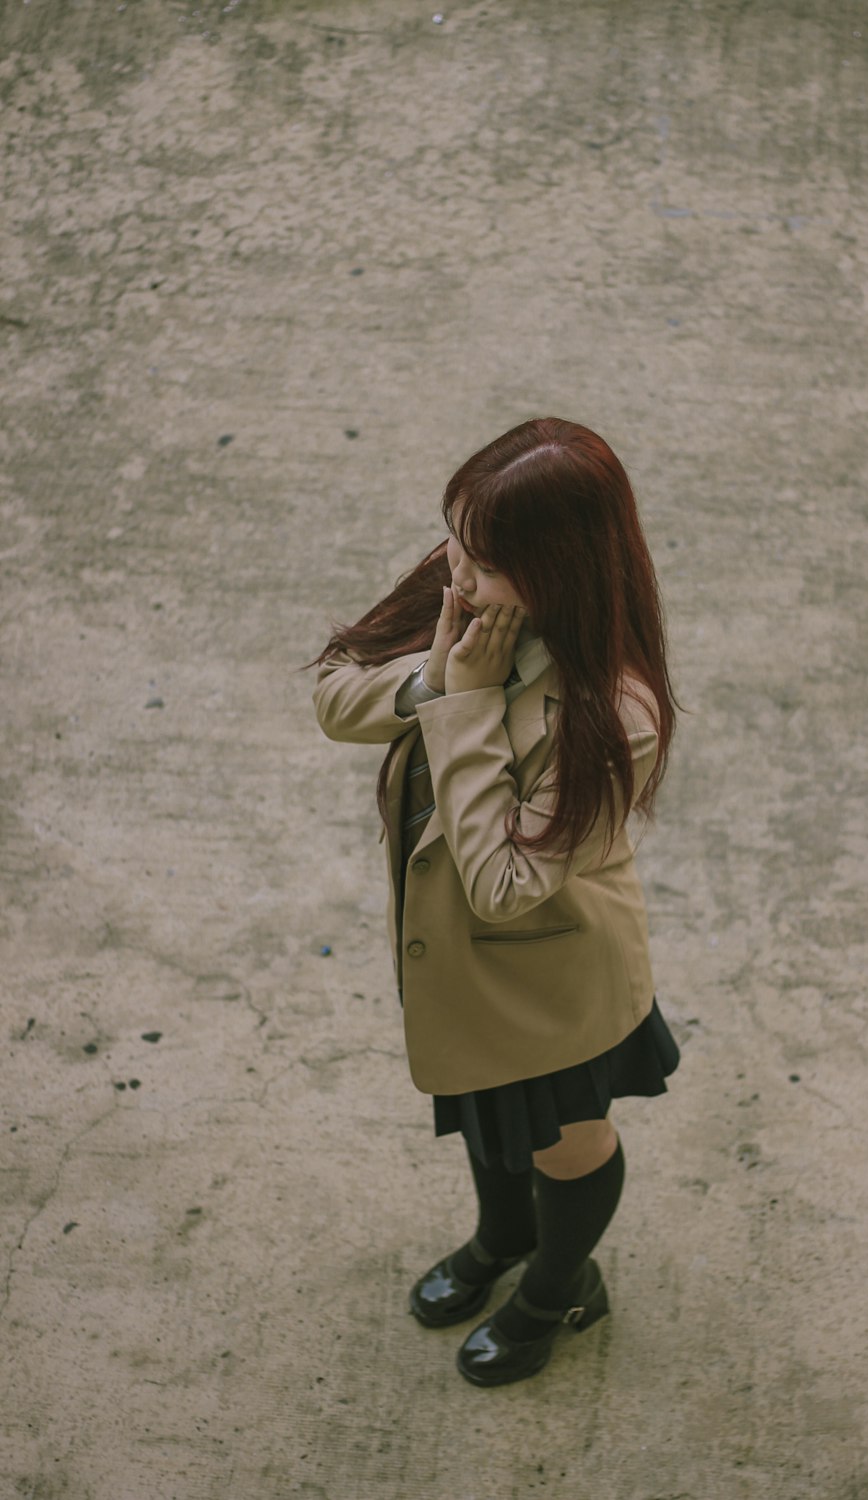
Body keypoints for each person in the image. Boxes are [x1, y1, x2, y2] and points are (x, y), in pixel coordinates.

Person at [312, 417, 681, 1387]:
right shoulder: (468, 586)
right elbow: (334, 692)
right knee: (486, 1117)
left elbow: (505, 884)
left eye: (484, 558)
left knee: (562, 1139)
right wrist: (438, 673)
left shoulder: (615, 711)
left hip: (548, 976)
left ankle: (558, 1286)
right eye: (457, 541)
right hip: (452, 955)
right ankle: (498, 1240)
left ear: (558, 566)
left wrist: (466, 705)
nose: (457, 575)